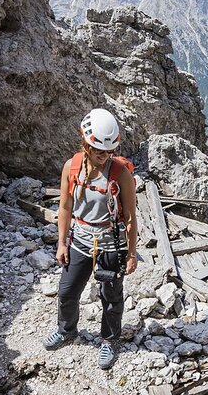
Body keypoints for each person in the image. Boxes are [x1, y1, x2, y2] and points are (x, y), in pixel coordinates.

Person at [43, 108, 138, 370]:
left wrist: (131, 253)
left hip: (111, 242)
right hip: (81, 240)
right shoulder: (72, 168)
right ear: (86, 144)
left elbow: (130, 216)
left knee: (111, 294)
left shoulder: (121, 174)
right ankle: (67, 330)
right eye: (98, 150)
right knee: (67, 291)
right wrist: (62, 242)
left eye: (108, 152)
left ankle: (108, 339)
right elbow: (64, 206)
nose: (103, 156)